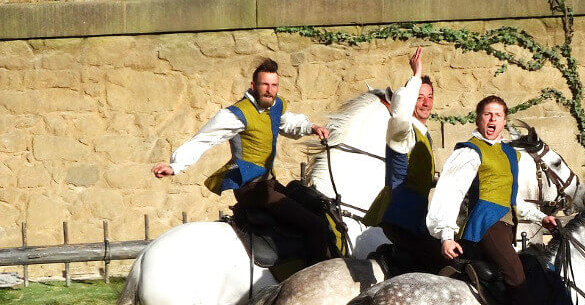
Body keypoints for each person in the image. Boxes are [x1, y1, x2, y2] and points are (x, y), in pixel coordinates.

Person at [152, 58, 337, 264]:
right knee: (314, 225)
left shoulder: (275, 106)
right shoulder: (236, 115)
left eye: (274, 85)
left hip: (269, 184)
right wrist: (175, 165)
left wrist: (311, 127)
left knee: (313, 204)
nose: (269, 90)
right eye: (264, 84)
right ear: (253, 86)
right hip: (250, 188)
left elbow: (287, 121)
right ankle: (316, 273)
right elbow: (204, 139)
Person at [426, 95, 564, 305]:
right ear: (478, 118)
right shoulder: (469, 151)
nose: (492, 119)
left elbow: (513, 198)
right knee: (515, 272)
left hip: (504, 226)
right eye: (487, 114)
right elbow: (449, 192)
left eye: (497, 115)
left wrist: (540, 217)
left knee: (529, 268)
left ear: (504, 121)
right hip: (484, 226)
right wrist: (446, 234)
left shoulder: (508, 153)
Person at [375, 46, 450, 273]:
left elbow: (417, 178)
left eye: (429, 97)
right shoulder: (403, 130)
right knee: (438, 264)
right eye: (419, 98)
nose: (426, 103)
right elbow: (399, 110)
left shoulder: (424, 134)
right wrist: (416, 76)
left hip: (416, 219)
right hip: (400, 218)